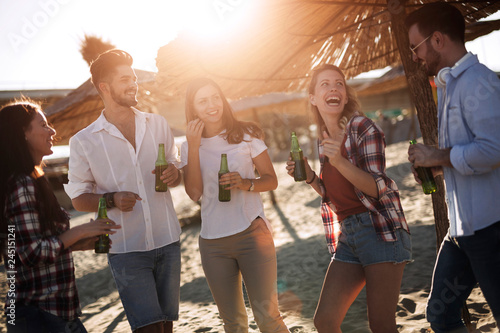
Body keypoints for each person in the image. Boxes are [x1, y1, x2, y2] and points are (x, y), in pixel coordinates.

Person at [286, 64, 412, 333]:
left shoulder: (362, 127)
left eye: (339, 83)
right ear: (313, 98)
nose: (333, 88)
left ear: (344, 93)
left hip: (379, 229)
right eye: (325, 84)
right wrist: (310, 177)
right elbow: (337, 195)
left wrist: (339, 161)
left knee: (381, 325)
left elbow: (377, 189)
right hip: (349, 234)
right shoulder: (324, 139)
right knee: (325, 321)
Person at [64, 49, 182, 333]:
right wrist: (111, 199)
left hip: (168, 241)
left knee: (166, 327)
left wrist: (175, 174)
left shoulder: (158, 124)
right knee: (147, 329)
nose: (134, 84)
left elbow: (178, 171)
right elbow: (79, 199)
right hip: (127, 250)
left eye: (134, 78)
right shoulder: (84, 141)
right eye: (125, 79)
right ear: (104, 87)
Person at [406, 3, 500, 332]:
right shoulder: (448, 86)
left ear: (437, 39)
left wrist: (440, 157)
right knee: (440, 315)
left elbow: (494, 149)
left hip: (491, 229)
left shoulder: (479, 82)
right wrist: (438, 166)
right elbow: (463, 153)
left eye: (415, 47)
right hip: (460, 231)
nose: (415, 56)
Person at [180, 77, 289, 333]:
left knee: (268, 318)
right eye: (203, 101)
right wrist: (194, 147)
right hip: (212, 244)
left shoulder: (246, 134)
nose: (211, 105)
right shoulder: (188, 146)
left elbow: (271, 180)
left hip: (252, 234)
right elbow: (194, 193)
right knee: (234, 324)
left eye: (215, 97)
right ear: (193, 108)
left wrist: (245, 183)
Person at [0, 100, 120, 332]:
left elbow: (28, 246)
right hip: (39, 316)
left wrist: (77, 243)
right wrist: (80, 231)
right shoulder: (21, 184)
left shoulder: (30, 179)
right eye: (43, 125)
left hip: (54, 312)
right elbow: (29, 252)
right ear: (23, 134)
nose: (52, 130)